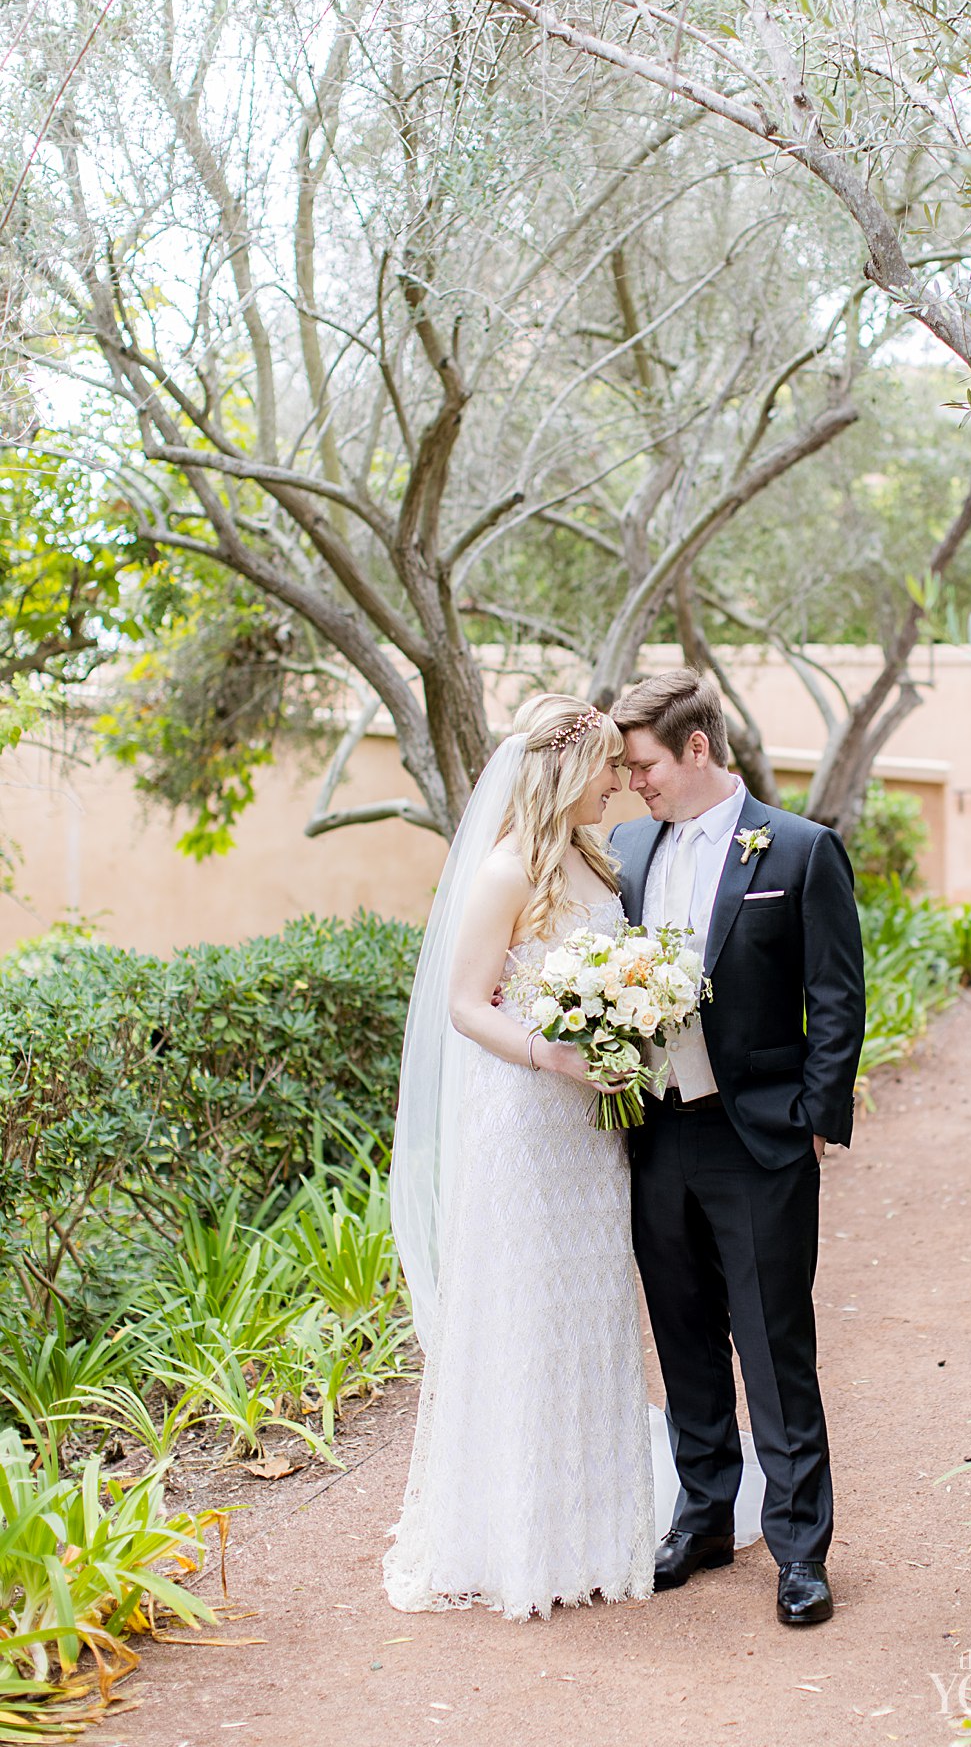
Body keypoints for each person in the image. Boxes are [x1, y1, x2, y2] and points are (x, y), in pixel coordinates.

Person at [383, 693, 655, 1620]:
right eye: (612, 767)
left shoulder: (596, 865)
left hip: (591, 1130)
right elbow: (467, 1003)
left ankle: (592, 1524)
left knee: (590, 1308)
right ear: (568, 770)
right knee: (528, 1311)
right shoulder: (504, 869)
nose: (622, 782)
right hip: (527, 1122)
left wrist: (626, 1036)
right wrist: (555, 1054)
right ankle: (515, 1537)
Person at [609, 669, 866, 1628]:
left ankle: (801, 1550)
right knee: (681, 1336)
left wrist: (807, 1114)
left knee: (774, 1345)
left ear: (699, 749)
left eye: (645, 765)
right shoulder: (630, 850)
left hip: (755, 1137)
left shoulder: (797, 850)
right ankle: (706, 1513)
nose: (635, 783)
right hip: (655, 1134)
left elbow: (837, 996)